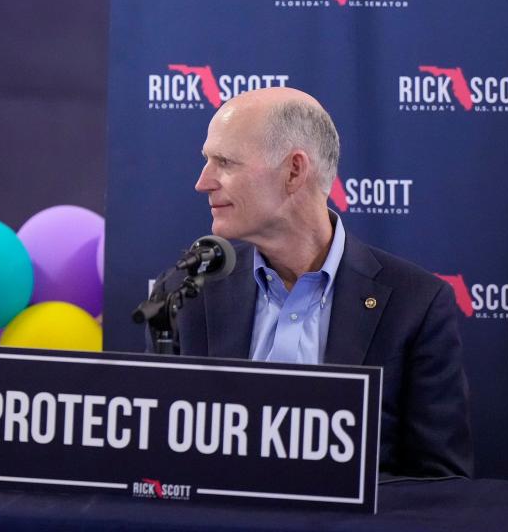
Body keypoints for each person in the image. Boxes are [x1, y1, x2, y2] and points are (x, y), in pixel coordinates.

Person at [155, 87, 474, 478]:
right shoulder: (188, 293)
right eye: (207, 161)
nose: (203, 182)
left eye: (224, 162)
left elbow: (441, 484)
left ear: (294, 171)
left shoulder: (416, 304)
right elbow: (163, 459)